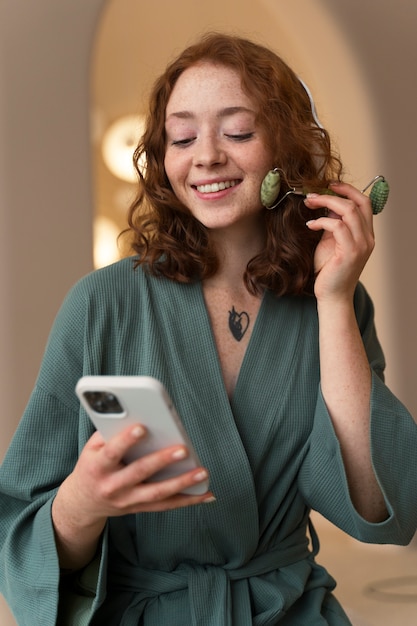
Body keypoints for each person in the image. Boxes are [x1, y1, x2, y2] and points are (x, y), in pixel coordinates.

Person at [1, 31, 417, 626]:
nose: (207, 156)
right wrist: (82, 502)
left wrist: (334, 299)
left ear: (287, 149)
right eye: (182, 136)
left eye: (239, 132)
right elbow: (19, 531)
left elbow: (380, 503)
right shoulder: (101, 304)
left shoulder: (332, 303)